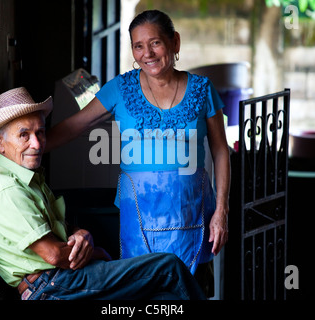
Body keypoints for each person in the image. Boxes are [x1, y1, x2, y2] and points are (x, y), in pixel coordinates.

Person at [46, 10, 230, 295]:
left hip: (191, 214)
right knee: (141, 295)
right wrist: (26, 148)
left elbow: (220, 151)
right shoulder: (121, 89)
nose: (148, 53)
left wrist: (221, 211)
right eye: (138, 46)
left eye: (155, 43)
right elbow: (73, 126)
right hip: (141, 218)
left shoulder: (202, 89)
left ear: (174, 42)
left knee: (190, 293)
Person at [0, 87, 206, 300]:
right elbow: (55, 255)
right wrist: (94, 252)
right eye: (24, 135)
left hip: (57, 281)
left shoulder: (24, 174)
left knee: (165, 298)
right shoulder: (7, 189)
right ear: (0, 142)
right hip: (51, 288)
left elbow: (57, 226)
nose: (36, 143)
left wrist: (80, 233)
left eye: (40, 133)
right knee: (170, 268)